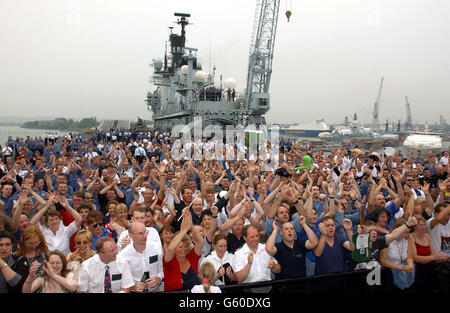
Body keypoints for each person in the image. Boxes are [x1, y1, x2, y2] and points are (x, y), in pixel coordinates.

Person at [163, 208, 204, 291]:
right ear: (175, 248)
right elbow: (170, 249)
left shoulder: (191, 257)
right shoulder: (169, 261)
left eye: (185, 246)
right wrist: (185, 229)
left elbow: (201, 242)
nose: (183, 249)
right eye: (180, 247)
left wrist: (191, 225)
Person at [116, 222, 163, 293]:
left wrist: (158, 279)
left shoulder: (156, 247)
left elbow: (162, 269)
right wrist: (133, 286)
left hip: (155, 289)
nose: (145, 236)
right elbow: (121, 281)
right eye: (140, 233)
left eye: (145, 232)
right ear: (131, 236)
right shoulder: (123, 256)